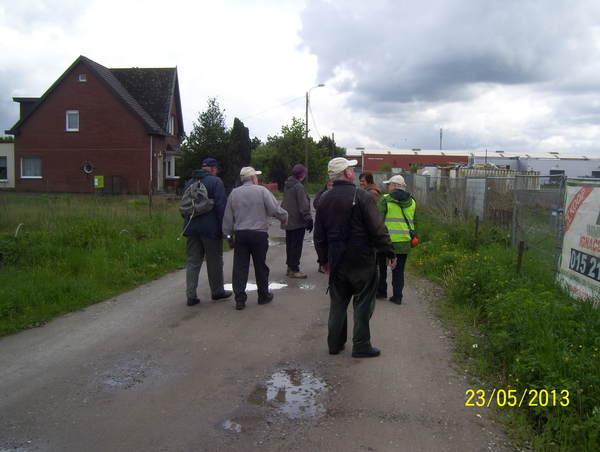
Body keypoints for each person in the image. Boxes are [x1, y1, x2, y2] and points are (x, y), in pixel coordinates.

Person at [314, 157, 397, 358]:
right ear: (347, 174)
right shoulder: (362, 196)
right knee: (363, 299)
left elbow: (319, 235)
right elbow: (377, 228)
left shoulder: (324, 199)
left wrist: (324, 260)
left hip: (337, 254)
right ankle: (361, 345)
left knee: (338, 300)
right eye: (351, 168)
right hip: (362, 254)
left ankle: (335, 343)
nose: (353, 170)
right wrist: (389, 252)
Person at [222, 167, 288, 311]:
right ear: (253, 178)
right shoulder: (262, 191)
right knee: (260, 265)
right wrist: (284, 218)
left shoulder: (234, 193)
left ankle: (240, 299)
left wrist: (228, 236)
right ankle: (263, 295)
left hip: (241, 234)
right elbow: (274, 209)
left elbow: (228, 217)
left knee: (240, 266)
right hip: (258, 234)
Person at [182, 158, 232, 306]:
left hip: (190, 228)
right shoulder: (216, 182)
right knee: (214, 261)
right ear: (213, 169)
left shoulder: (190, 182)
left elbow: (184, 205)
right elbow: (221, 207)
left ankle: (191, 295)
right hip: (211, 229)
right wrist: (225, 229)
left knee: (192, 261)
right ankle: (217, 292)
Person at [377, 175, 418, 305]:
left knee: (382, 267)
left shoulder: (385, 200)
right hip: (404, 242)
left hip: (386, 242)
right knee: (399, 270)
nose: (388, 187)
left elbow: (377, 220)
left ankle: (381, 291)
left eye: (389, 185)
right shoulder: (412, 201)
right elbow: (415, 222)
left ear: (394, 186)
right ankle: (397, 296)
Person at [281, 164, 312, 279]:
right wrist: (308, 219)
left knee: (290, 244)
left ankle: (289, 266)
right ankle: (294, 269)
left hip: (288, 219)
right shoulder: (298, 187)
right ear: (302, 175)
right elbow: (303, 206)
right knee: (296, 245)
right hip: (297, 221)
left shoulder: (288, 185)